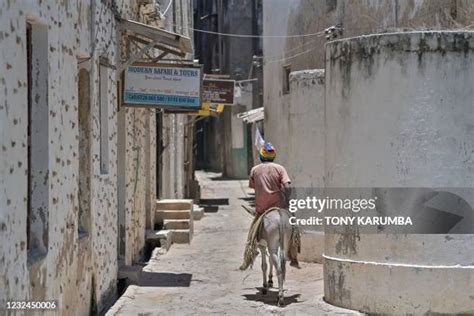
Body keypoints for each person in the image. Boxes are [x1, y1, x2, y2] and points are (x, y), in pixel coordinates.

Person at [245, 142, 300, 268]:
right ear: (273, 156)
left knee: (253, 231)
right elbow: (287, 187)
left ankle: (252, 249)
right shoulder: (280, 168)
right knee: (294, 227)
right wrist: (287, 199)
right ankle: (294, 256)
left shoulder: (254, 170)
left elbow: (253, 187)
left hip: (262, 209)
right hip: (279, 206)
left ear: (261, 156)